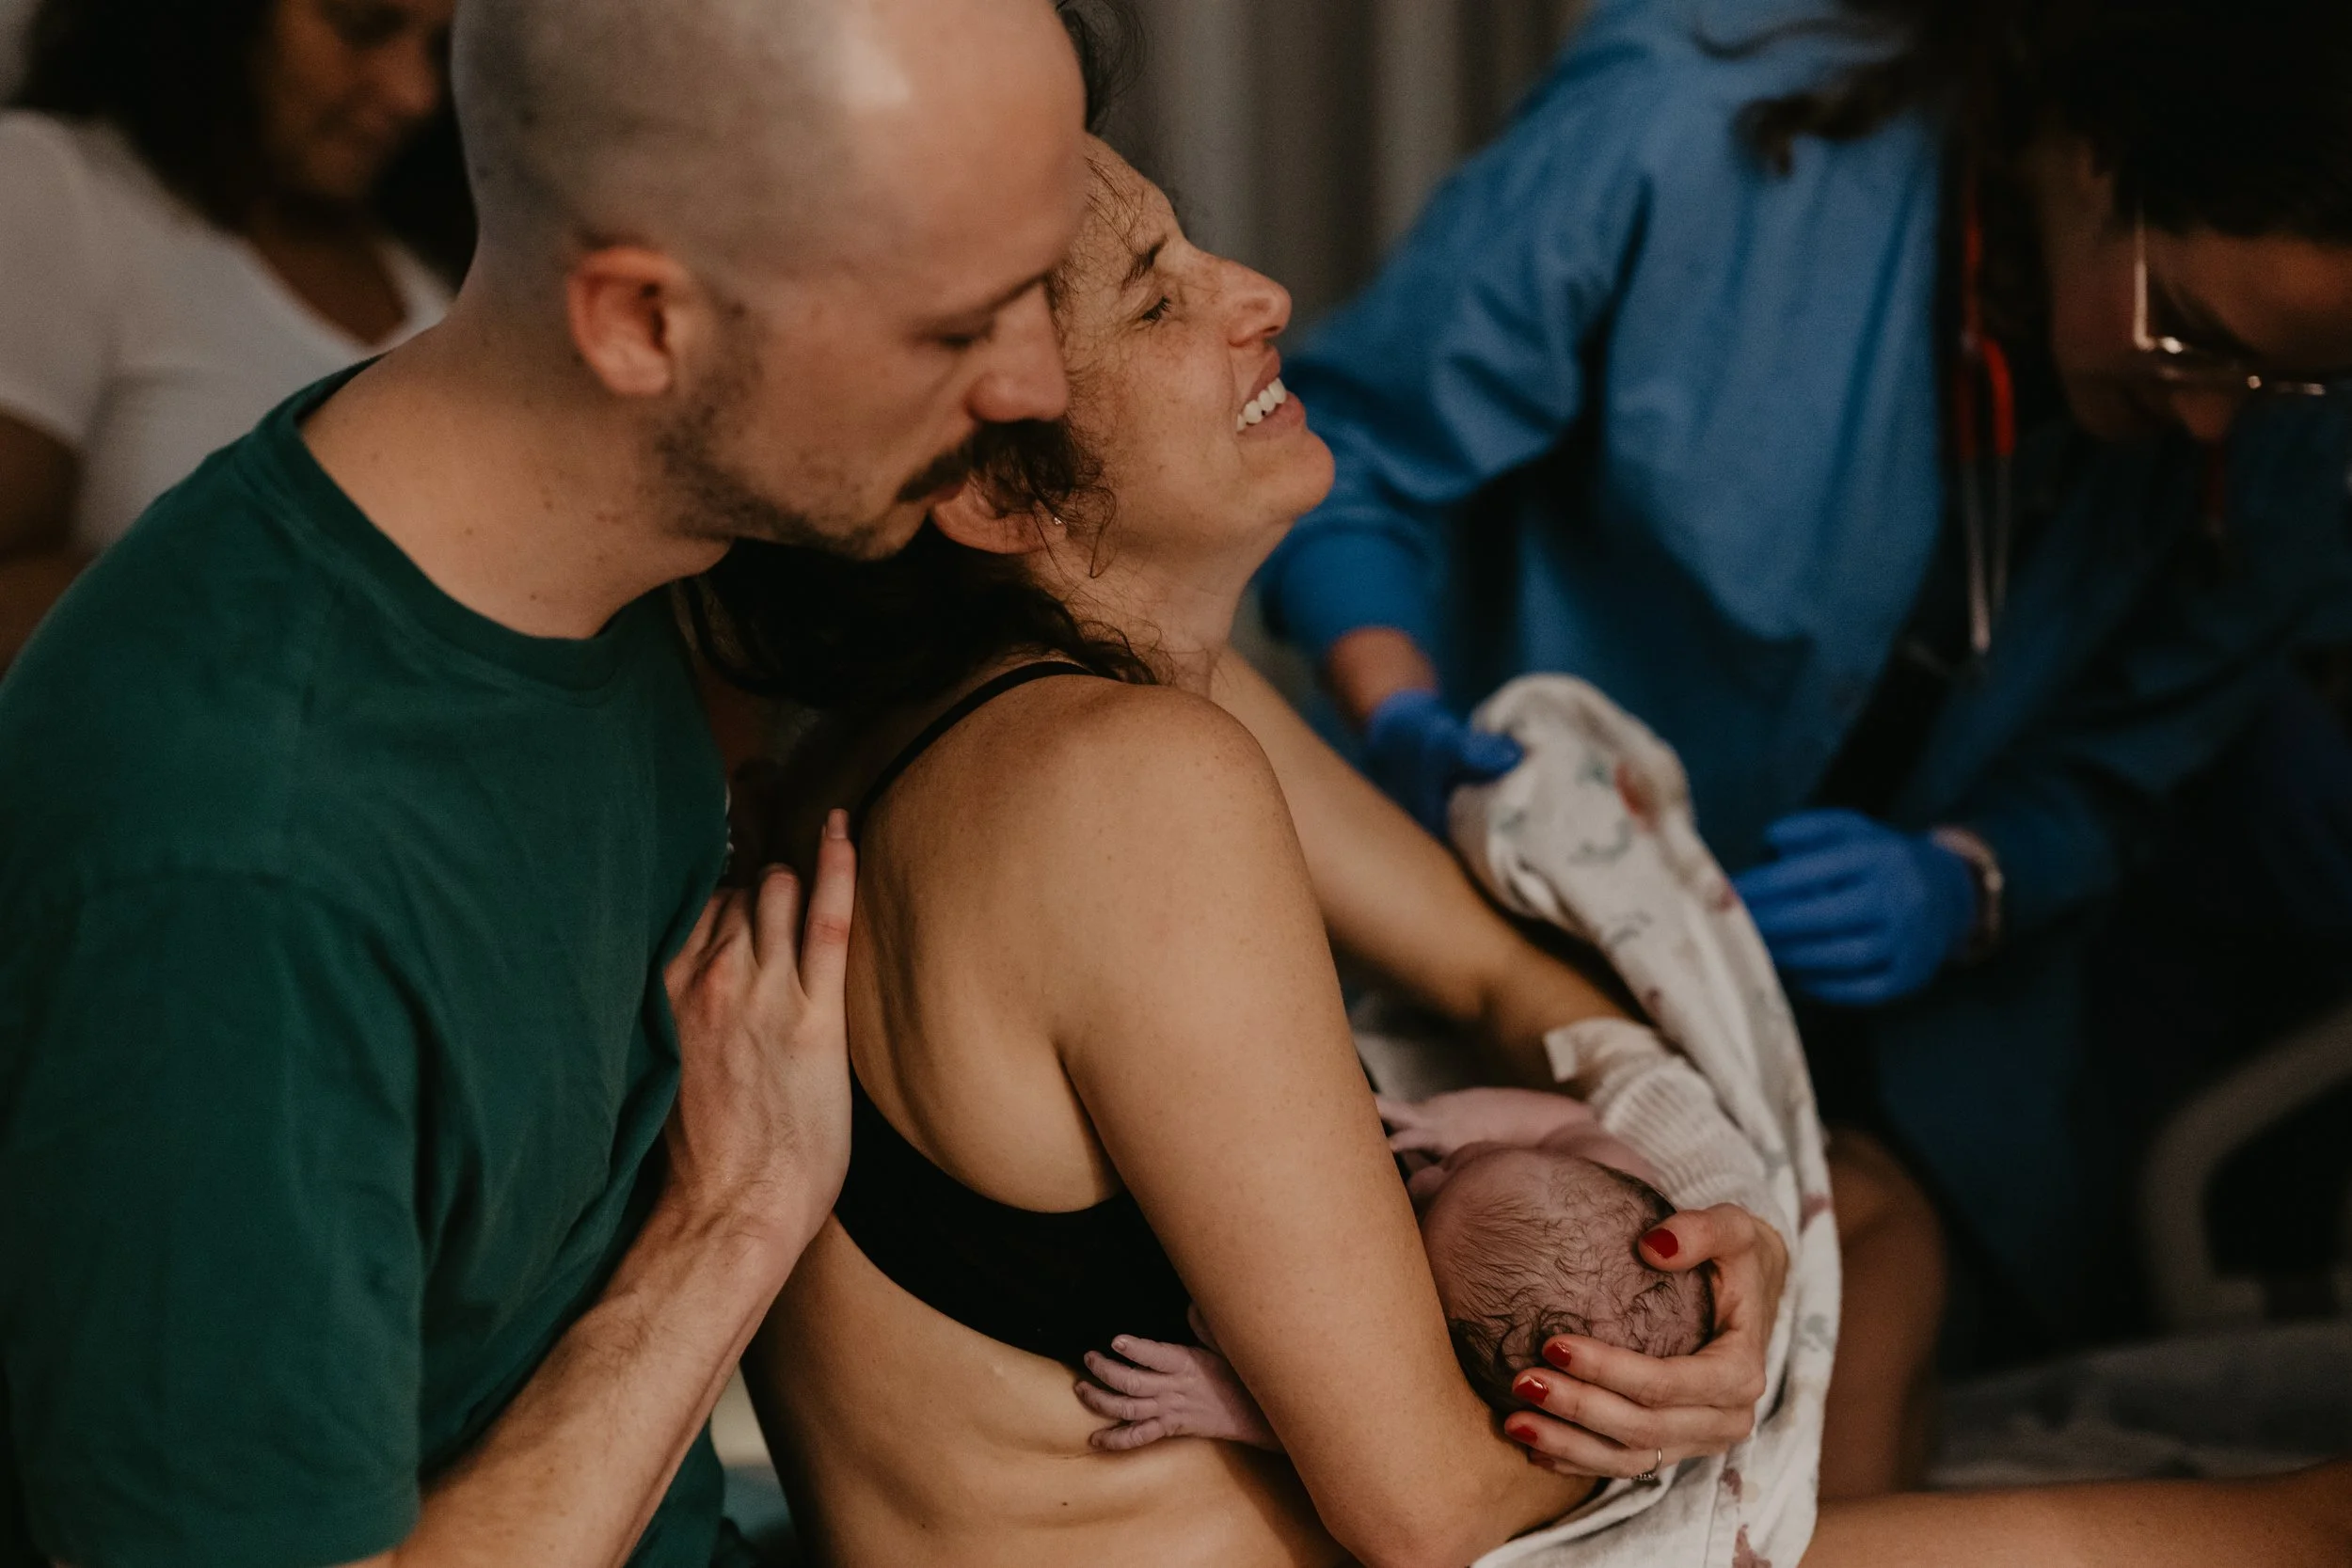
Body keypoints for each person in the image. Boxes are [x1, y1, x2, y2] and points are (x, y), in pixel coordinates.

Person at [698, 119, 2352, 1568]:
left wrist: (1709, 1183)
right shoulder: (1119, 783)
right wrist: (1696, 1419)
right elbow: (1425, 1509)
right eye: (1154, 299)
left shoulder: (1003, 713)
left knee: (1873, 1218)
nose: (1259, 292)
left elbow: (1499, 969)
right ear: (994, 488)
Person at [0, 0, 1094, 1564]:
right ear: (641, 322)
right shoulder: (232, 871)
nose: (1036, 380)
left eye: (1041, 286)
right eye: (956, 329)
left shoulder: (607, 557)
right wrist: (728, 1227)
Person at [1255, 0, 2352, 1336]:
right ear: (2090, 150)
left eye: (2277, 382)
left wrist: (1973, 880)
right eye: (2183, 331)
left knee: (1876, 1263)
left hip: (1909, 1034)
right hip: (1478, 891)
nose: (2208, 415)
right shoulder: (1688, 130)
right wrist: (1399, 708)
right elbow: (1350, 456)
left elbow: (2139, 758)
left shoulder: (2285, 438)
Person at [0, 0, 472, 669]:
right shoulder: (57, 189)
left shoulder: (443, 275)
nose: (414, 94)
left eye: (442, 53)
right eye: (360, 27)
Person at [1075, 1082, 1717, 1454]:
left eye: (1424, 1210)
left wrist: (1234, 1403)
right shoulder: (1621, 1191)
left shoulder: (1434, 1379)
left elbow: (1352, 1430)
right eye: (1477, 1158)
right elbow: (1570, 1122)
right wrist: (1465, 1120)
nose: (1430, 1172)